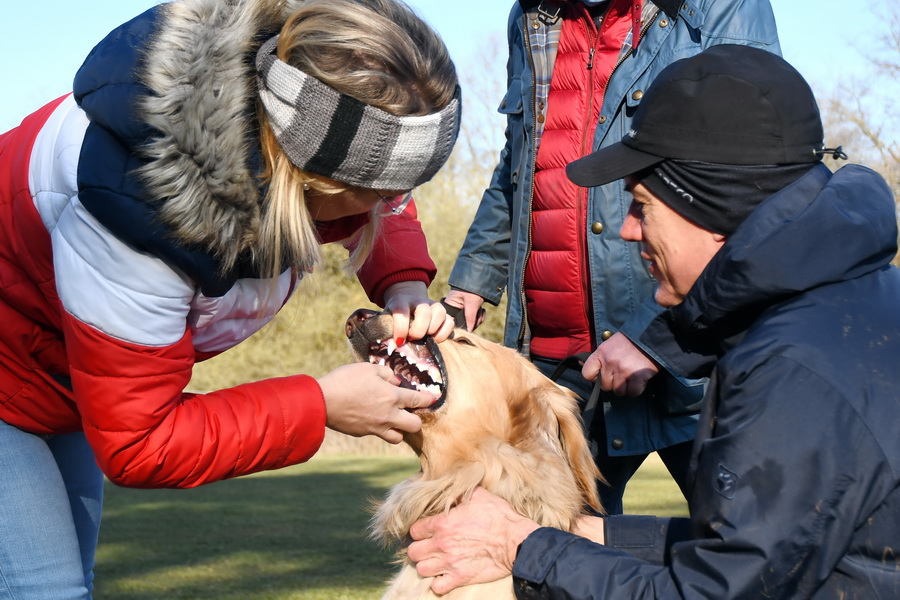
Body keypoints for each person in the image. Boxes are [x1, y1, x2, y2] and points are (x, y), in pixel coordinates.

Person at [404, 45, 900, 599]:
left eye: (643, 206)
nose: (629, 231)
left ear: (712, 208)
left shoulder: (789, 367)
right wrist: (584, 534)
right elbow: (767, 550)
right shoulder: (845, 309)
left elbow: (712, 594)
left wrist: (525, 548)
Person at [0, 0, 460, 597]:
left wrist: (403, 282)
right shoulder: (138, 214)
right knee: (46, 589)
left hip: (59, 380)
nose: (389, 206)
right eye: (371, 194)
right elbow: (141, 444)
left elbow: (382, 189)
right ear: (310, 176)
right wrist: (318, 405)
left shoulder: (300, 121)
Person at [442, 0, 781, 514]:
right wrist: (472, 281)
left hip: (693, 355)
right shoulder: (530, 16)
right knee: (547, 563)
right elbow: (519, 162)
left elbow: (752, 181)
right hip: (560, 371)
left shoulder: (720, 7)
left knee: (757, 553)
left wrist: (654, 337)